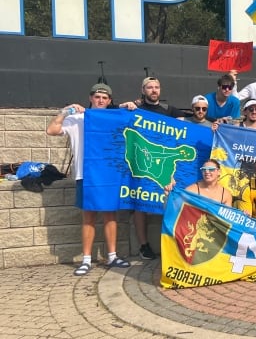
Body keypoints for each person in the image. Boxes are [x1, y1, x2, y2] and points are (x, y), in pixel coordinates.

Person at [46, 83, 132, 276]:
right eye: (97, 97)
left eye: (104, 98)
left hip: (109, 175)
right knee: (89, 217)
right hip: (85, 175)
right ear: (91, 98)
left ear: (109, 101)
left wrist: (131, 107)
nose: (100, 100)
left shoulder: (114, 118)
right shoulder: (77, 119)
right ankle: (86, 259)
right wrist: (65, 111)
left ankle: (112, 256)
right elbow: (51, 130)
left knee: (110, 215)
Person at [131, 76, 184, 260]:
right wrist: (125, 107)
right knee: (140, 205)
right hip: (142, 165)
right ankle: (143, 246)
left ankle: (172, 245)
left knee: (171, 203)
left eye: (157, 87)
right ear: (143, 90)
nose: (154, 90)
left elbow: (189, 123)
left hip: (163, 167)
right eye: (150, 87)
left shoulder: (169, 110)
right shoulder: (136, 109)